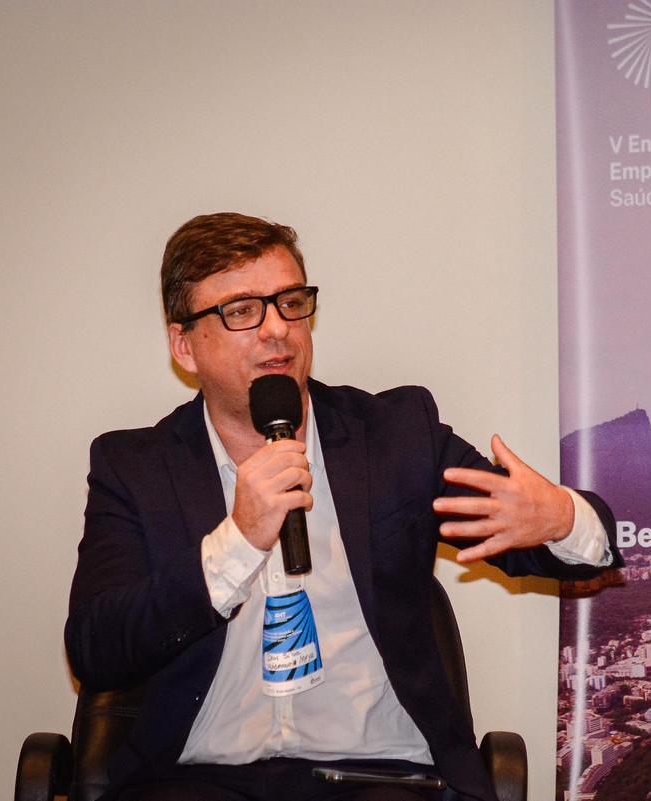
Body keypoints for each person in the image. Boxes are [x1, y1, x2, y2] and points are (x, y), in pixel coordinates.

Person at [64, 212, 621, 801]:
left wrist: (563, 520)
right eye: (242, 311)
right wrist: (238, 540)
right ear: (184, 346)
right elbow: (97, 649)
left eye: (290, 303)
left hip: (378, 773)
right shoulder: (136, 468)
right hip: (196, 777)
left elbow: (563, 548)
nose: (277, 329)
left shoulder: (395, 437)